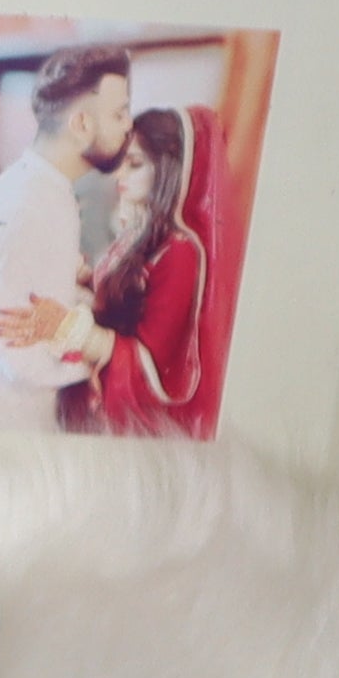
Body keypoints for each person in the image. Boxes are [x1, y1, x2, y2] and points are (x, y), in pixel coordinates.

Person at [0, 43, 135, 429]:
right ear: (81, 124)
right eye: (118, 114)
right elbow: (15, 349)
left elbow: (38, 308)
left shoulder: (46, 191)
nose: (128, 125)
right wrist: (100, 354)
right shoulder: (27, 203)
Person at [77, 104, 212, 432]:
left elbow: (154, 362)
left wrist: (94, 340)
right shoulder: (136, 233)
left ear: (167, 170)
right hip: (93, 383)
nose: (119, 175)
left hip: (130, 416)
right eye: (121, 162)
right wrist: (85, 280)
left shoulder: (179, 251)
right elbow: (120, 298)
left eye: (134, 164)